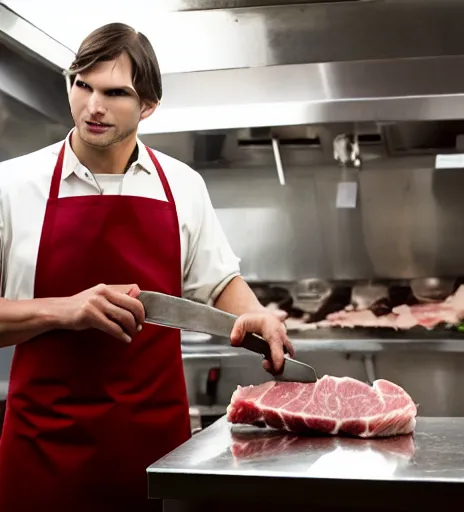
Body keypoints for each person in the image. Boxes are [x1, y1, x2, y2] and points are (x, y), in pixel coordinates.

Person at [0, 22, 293, 512]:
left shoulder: (182, 185)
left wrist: (255, 313)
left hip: (156, 451)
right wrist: (65, 311)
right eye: (83, 85)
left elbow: (219, 281)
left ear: (149, 106)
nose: (94, 106)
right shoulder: (12, 185)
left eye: (116, 93)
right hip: (43, 449)